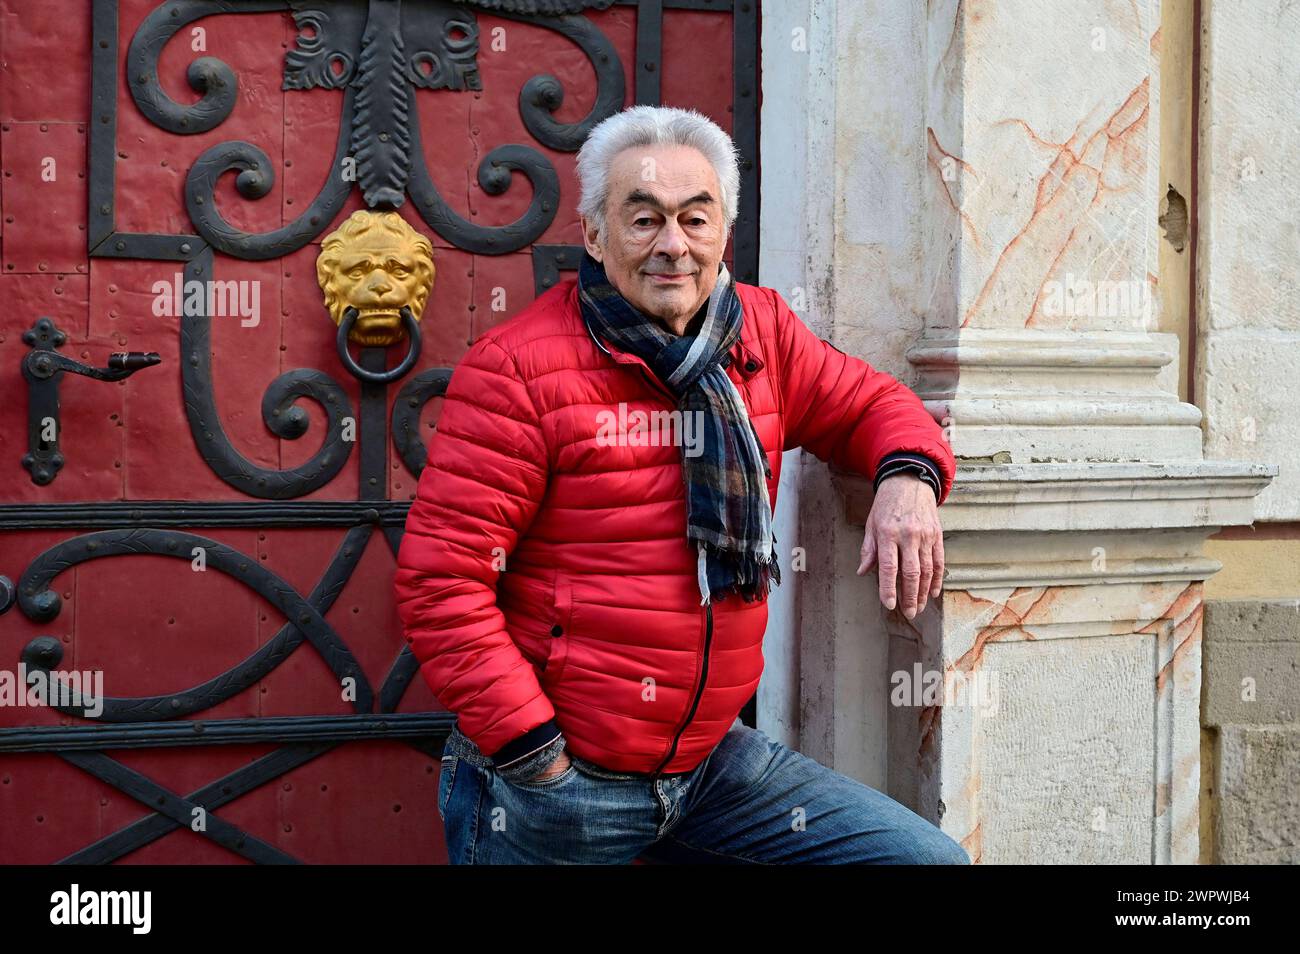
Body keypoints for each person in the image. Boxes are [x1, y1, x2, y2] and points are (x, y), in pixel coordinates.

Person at [393, 105, 968, 865]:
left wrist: (910, 478)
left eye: (696, 219)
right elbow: (442, 583)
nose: (674, 246)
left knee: (923, 861)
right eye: (644, 220)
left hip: (710, 767)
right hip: (562, 783)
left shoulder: (758, 333)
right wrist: (538, 756)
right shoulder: (519, 371)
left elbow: (869, 404)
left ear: (724, 231)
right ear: (594, 235)